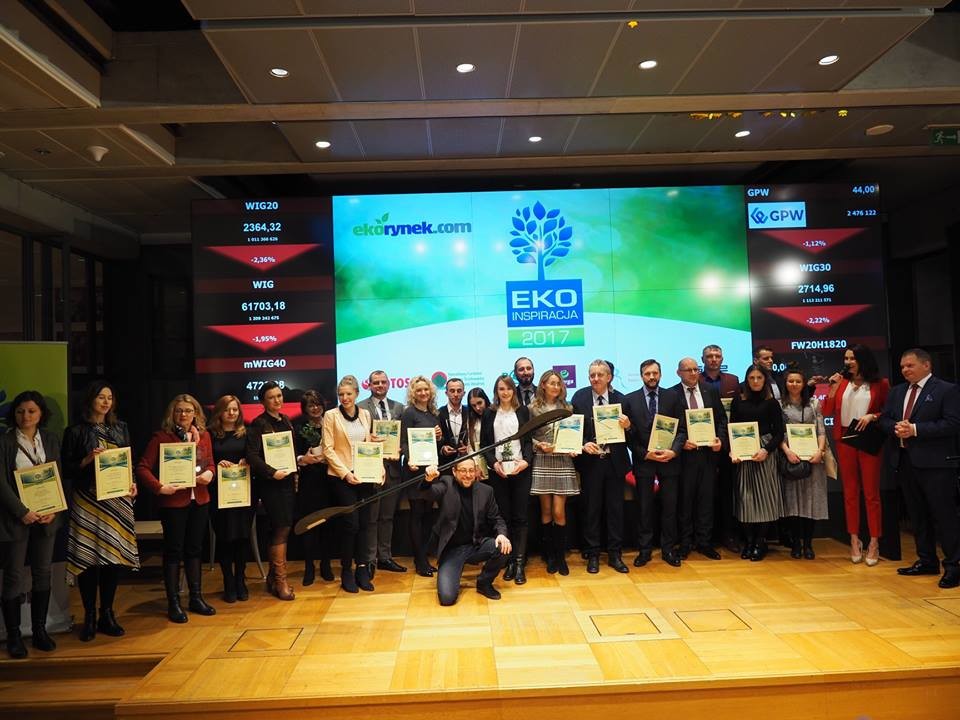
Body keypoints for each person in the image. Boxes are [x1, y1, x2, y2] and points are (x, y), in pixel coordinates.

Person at [62, 381, 139, 642]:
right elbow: (66, 469)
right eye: (100, 397)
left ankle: (107, 613)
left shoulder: (120, 428)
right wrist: (86, 460)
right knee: (89, 559)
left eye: (109, 397)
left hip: (116, 500)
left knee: (111, 558)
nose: (106, 402)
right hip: (88, 500)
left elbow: (129, 461)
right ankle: (89, 617)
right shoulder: (75, 431)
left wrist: (132, 483)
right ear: (90, 400)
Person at [879, 348, 960, 589]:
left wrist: (915, 430)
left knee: (944, 516)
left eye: (910, 365)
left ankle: (954, 566)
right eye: (903, 366)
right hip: (905, 461)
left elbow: (953, 424)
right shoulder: (897, 391)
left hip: (936, 464)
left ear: (926, 365)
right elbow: (884, 419)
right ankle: (926, 561)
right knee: (917, 515)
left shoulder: (946, 390)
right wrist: (895, 427)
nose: (905, 370)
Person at [136, 394, 216, 622]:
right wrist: (159, 487)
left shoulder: (204, 436)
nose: (183, 415)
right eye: (179, 410)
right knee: (173, 552)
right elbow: (142, 468)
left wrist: (210, 474)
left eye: (188, 411)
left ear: (196, 414)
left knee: (195, 550)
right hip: (173, 503)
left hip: (199, 499)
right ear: (172, 413)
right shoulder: (162, 437)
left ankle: (196, 598)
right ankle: (174, 603)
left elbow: (210, 463)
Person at [1, 391, 64, 658]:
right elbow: (0, 483)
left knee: (43, 572)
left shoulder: (50, 439)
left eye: (31, 411)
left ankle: (40, 630)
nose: (25, 416)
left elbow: (57, 475)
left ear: (41, 414)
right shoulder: (4, 441)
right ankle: (14, 636)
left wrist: (54, 509)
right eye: (20, 411)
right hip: (16, 519)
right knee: (14, 575)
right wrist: (22, 511)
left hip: (46, 518)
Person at [820, 345, 889, 565]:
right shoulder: (841, 382)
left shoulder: (880, 383)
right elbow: (826, 411)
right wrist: (832, 388)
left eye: (852, 358)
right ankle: (854, 539)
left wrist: (873, 416)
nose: (848, 362)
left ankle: (874, 541)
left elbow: (889, 412)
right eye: (846, 358)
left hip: (868, 439)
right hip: (845, 440)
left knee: (871, 493)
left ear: (863, 360)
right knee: (850, 492)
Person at [421, 458, 511, 605]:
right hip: (452, 550)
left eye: (471, 470)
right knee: (447, 598)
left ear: (476, 471)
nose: (468, 475)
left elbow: (497, 518)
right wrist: (427, 480)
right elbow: (428, 493)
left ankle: (484, 583)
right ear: (454, 471)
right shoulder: (446, 484)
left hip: (476, 545)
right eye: (463, 470)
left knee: (503, 547)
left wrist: (501, 534)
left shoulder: (486, 491)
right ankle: (453, 571)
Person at [570, 359, 632, 574]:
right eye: (592, 375)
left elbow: (632, 437)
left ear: (609, 377)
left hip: (615, 464)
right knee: (592, 510)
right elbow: (573, 429)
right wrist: (583, 443)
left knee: (615, 511)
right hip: (591, 464)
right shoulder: (579, 398)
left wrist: (628, 426)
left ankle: (615, 554)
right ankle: (593, 554)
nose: (595, 379)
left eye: (599, 375)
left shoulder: (621, 400)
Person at [624, 359, 685, 567]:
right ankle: (645, 550)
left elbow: (682, 430)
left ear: (660, 374)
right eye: (647, 373)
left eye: (655, 373)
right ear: (641, 375)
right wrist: (645, 454)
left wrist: (674, 451)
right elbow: (629, 436)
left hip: (669, 461)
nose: (652, 377)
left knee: (670, 508)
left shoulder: (673, 397)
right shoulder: (630, 400)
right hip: (644, 463)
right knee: (644, 509)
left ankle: (668, 549)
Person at [322, 375, 378, 593]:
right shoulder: (331, 416)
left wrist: (378, 470)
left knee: (364, 524)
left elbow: (368, 445)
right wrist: (345, 474)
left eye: (348, 394)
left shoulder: (365, 414)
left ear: (356, 394)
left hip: (364, 475)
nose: (344, 398)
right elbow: (328, 449)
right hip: (341, 477)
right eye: (341, 394)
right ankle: (347, 570)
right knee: (350, 525)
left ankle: (362, 569)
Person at [245, 381, 297, 601]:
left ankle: (273, 579)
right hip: (271, 484)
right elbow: (251, 455)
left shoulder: (285, 420)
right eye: (271, 397)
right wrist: (271, 472)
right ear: (263, 401)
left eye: (279, 396)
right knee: (281, 527)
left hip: (287, 482)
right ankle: (281, 581)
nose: (277, 400)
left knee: (283, 527)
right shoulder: (258, 424)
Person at [729, 365, 785, 561]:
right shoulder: (738, 400)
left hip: (765, 454)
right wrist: (733, 451)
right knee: (746, 498)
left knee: (765, 499)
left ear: (765, 380)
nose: (755, 381)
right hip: (743, 454)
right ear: (746, 380)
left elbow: (779, 433)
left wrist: (766, 450)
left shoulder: (772, 402)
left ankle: (761, 542)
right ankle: (749, 541)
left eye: (759, 377)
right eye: (751, 378)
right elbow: (732, 427)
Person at [482, 374, 534, 584]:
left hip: (521, 471)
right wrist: (494, 464)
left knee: (521, 517)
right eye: (501, 389)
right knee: (504, 516)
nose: (505, 392)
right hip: (499, 473)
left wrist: (526, 462)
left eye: (508, 388)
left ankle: (519, 563)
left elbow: (528, 441)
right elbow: (485, 445)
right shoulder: (489, 413)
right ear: (496, 392)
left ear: (514, 390)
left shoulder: (523, 411)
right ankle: (509, 561)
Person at [672, 358, 726, 560]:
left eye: (696, 369)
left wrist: (720, 439)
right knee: (685, 502)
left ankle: (704, 542)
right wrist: (680, 443)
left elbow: (721, 419)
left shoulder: (709, 390)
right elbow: (668, 425)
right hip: (685, 456)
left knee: (706, 500)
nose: (693, 373)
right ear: (679, 373)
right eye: (688, 370)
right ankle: (685, 543)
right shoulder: (671, 394)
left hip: (708, 455)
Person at [529, 369, 579, 575]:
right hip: (542, 459)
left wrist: (574, 447)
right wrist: (539, 445)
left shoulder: (568, 407)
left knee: (559, 511)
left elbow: (574, 432)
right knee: (546, 511)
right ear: (543, 385)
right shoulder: (532, 408)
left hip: (563, 460)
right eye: (552, 383)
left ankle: (560, 557)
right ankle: (549, 556)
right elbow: (527, 435)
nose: (556, 387)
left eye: (558, 384)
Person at [208, 395, 255, 601]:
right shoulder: (209, 434)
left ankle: (240, 580)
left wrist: (247, 460)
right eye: (227, 409)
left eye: (235, 409)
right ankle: (228, 580)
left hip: (243, 492)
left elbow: (256, 456)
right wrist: (216, 464)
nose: (232, 413)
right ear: (219, 412)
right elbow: (204, 461)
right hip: (219, 494)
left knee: (242, 537)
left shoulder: (247, 433)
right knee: (225, 537)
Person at [358, 371, 406, 573]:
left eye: (383, 382)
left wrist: (401, 448)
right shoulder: (360, 408)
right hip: (370, 468)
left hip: (393, 468)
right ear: (369, 385)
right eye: (376, 382)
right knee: (371, 518)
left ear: (388, 384)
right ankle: (370, 560)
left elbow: (404, 436)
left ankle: (385, 557)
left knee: (387, 517)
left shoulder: (399, 407)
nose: (380, 385)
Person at [779, 368, 828, 560]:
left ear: (804, 383)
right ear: (785, 384)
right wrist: (787, 451)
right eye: (790, 381)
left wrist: (820, 451)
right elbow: (778, 433)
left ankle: (808, 544)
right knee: (792, 502)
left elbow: (821, 430)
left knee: (810, 501)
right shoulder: (780, 405)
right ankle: (796, 544)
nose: (794, 385)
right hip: (791, 458)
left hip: (813, 458)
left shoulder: (814, 403)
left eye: (798, 381)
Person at [399, 375, 444, 577]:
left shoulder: (434, 413)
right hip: (415, 470)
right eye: (419, 390)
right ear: (413, 393)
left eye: (426, 389)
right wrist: (410, 458)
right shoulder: (409, 413)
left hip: (431, 470)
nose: (423, 393)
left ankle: (424, 556)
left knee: (427, 515)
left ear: (431, 391)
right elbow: (404, 441)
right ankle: (420, 560)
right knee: (417, 514)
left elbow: (436, 443)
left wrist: (439, 437)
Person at [701, 344, 741, 553]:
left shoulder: (733, 381)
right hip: (702, 445)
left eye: (717, 356)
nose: (714, 359)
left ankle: (728, 534)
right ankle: (704, 537)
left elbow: (739, 411)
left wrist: (726, 441)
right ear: (703, 359)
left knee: (727, 492)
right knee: (704, 493)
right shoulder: (695, 379)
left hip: (728, 445)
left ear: (722, 359)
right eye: (709, 356)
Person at [293, 390, 332, 585]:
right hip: (309, 482)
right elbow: (292, 454)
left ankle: (326, 564)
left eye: (318, 404)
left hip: (330, 480)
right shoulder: (298, 426)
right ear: (305, 408)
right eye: (311, 405)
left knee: (328, 525)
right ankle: (309, 566)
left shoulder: (332, 422)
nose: (315, 408)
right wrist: (303, 459)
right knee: (309, 525)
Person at [466, 387, 491, 481]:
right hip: (480, 464)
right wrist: (476, 465)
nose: (477, 408)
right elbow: (471, 446)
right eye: (473, 405)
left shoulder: (494, 415)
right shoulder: (471, 420)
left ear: (485, 400)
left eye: (480, 403)